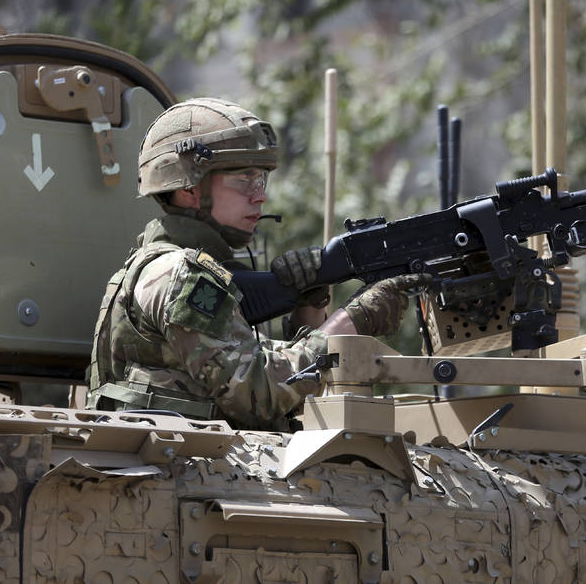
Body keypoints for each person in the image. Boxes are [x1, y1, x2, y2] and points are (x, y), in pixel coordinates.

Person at [86, 97, 426, 430]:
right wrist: (354, 321)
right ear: (188, 187)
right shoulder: (179, 276)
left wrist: (309, 301)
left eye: (261, 179)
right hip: (177, 470)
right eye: (243, 180)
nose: (259, 195)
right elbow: (257, 396)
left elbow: (279, 378)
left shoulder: (181, 266)